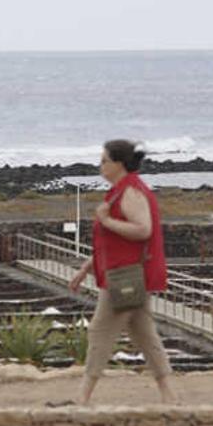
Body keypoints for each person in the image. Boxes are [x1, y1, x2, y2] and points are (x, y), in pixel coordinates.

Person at [68, 139, 178, 405]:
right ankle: (169, 395)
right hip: (124, 274)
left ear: (119, 163)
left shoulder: (130, 192)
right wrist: (85, 269)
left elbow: (144, 229)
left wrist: (106, 220)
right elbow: (109, 243)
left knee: (99, 330)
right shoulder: (119, 191)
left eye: (104, 160)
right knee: (143, 331)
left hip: (127, 276)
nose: (100, 166)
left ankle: (82, 397)